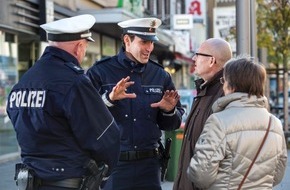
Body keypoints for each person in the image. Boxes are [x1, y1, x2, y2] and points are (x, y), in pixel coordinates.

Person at [6, 14, 120, 190]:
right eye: (85, 47)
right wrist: (104, 176)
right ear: (78, 47)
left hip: (30, 182)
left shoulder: (24, 82)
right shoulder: (74, 82)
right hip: (69, 182)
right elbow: (107, 138)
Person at [86, 17, 184, 190]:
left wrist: (169, 111)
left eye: (152, 42)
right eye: (144, 42)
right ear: (127, 40)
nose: (149, 48)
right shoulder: (100, 72)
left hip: (150, 166)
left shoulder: (161, 76)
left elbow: (173, 124)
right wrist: (108, 99)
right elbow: (84, 116)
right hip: (114, 166)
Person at [187, 55, 288, 189]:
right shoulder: (274, 123)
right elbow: (278, 174)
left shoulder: (219, 121)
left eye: (224, 81)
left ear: (232, 85)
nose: (223, 86)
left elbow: (200, 174)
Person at [173, 38, 233, 190]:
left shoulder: (224, 95)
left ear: (212, 60)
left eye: (198, 55)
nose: (194, 59)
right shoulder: (205, 90)